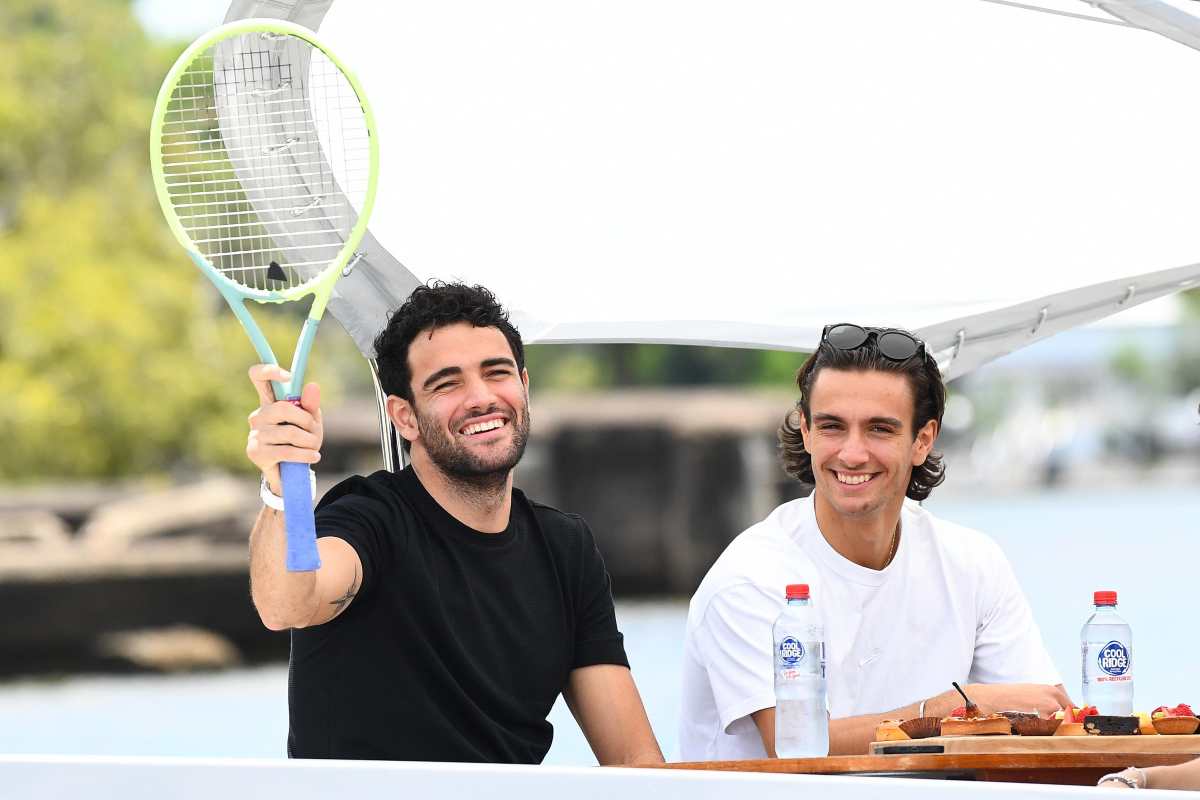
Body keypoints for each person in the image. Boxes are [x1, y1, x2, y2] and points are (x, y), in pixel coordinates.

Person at [244, 281, 663, 765]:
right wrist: (280, 489)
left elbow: (636, 765)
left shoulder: (565, 549)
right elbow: (289, 606)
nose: (481, 397)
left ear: (524, 387)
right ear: (404, 417)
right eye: (447, 383)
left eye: (497, 372)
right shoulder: (370, 517)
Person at [678, 323, 1071, 759]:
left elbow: (1045, 715)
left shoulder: (973, 562)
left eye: (879, 429)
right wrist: (942, 711)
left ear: (923, 440)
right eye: (832, 427)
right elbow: (796, 747)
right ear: (805, 432)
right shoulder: (750, 578)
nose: (852, 453)